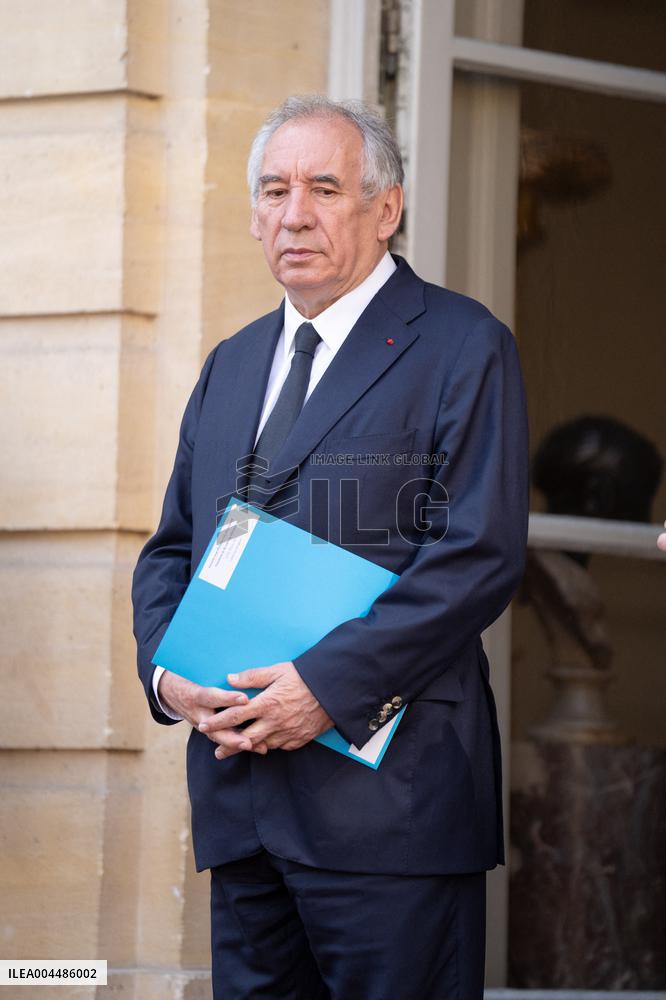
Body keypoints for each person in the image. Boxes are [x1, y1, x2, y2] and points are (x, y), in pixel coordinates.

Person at [132, 95, 529, 1000]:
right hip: (239, 803)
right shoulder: (232, 361)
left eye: (323, 188)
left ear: (386, 209)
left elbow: (477, 554)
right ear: (253, 215)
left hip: (393, 814)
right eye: (274, 191)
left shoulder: (464, 344)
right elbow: (172, 552)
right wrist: (167, 676)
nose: (295, 214)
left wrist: (327, 688)